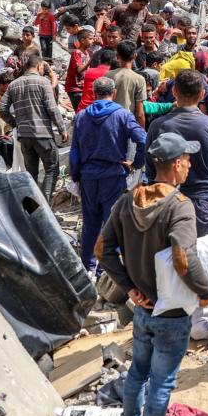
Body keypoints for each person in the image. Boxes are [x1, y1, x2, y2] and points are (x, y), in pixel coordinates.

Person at [99, 132, 208, 416]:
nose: (190, 165)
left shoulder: (127, 200)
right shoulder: (180, 206)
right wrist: (206, 292)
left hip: (143, 309)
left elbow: (101, 250)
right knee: (162, 381)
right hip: (172, 312)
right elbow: (183, 257)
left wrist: (129, 287)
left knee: (138, 372)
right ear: (177, 164)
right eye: (188, 160)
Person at [146, 69, 208, 338]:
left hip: (167, 200)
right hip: (205, 200)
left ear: (174, 93)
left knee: (169, 258)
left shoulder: (158, 126)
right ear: (202, 94)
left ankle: (174, 320)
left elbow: (151, 168)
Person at [70, 76, 146, 273]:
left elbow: (75, 152)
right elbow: (143, 141)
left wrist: (77, 176)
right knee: (112, 225)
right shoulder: (122, 115)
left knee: (90, 224)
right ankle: (105, 271)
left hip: (88, 177)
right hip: (113, 176)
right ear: (114, 93)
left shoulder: (81, 116)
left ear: (94, 93)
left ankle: (87, 268)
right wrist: (136, 163)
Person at [0, 54, 68, 199]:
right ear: (39, 66)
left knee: (31, 174)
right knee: (51, 169)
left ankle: (33, 208)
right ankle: (46, 206)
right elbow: (52, 108)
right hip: (42, 134)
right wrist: (62, 129)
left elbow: (2, 108)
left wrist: (15, 123)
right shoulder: (43, 82)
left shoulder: (14, 84)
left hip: (24, 136)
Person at [109, 41, 148, 127]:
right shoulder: (139, 79)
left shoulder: (107, 75)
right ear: (135, 55)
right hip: (127, 123)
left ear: (117, 56)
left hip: (109, 121)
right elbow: (140, 113)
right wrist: (141, 133)